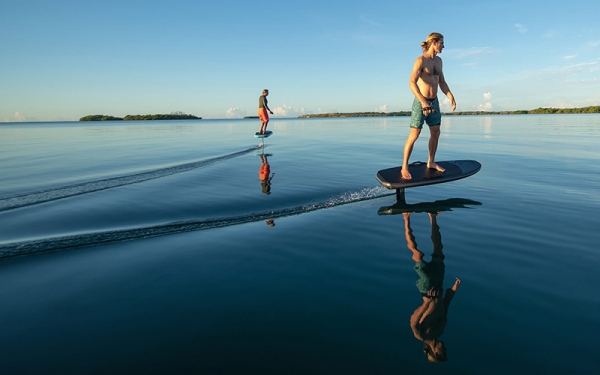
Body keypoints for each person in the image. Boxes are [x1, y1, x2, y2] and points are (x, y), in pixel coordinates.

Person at [403, 211, 461, 363]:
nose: (445, 348)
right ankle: (432, 216)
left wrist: (427, 303)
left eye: (443, 352)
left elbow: (413, 320)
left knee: (417, 255)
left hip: (427, 289)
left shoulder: (420, 335)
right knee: (439, 251)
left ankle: (406, 218)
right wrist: (453, 291)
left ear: (435, 353)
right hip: (439, 286)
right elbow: (445, 306)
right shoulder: (440, 331)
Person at [402, 32, 456, 180]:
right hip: (421, 101)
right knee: (414, 135)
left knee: (436, 132)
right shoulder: (420, 61)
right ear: (434, 42)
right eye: (442, 43)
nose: (443, 46)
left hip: (434, 101)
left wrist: (450, 95)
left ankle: (431, 162)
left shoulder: (439, 61)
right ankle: (404, 166)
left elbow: (442, 82)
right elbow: (411, 83)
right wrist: (423, 102)